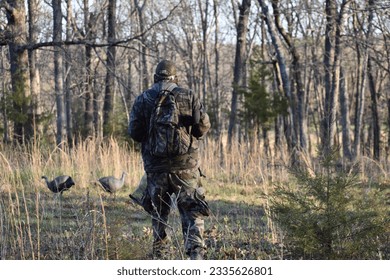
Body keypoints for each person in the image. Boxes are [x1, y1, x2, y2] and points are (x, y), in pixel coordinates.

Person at [128, 59, 211, 260]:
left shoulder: (143, 98)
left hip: (156, 168)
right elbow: (201, 129)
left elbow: (135, 133)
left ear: (156, 77)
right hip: (185, 166)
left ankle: (160, 257)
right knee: (192, 212)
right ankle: (196, 255)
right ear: (176, 77)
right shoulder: (188, 96)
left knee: (159, 214)